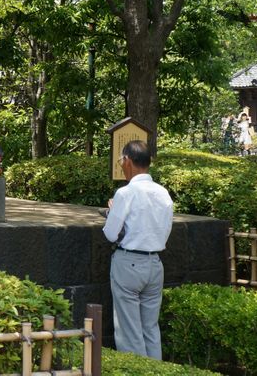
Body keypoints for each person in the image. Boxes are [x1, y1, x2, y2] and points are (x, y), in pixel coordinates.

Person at [102, 140, 174, 360]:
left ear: (127, 161)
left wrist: (112, 213)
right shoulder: (163, 193)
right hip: (155, 264)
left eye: (121, 161)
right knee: (150, 328)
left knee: (129, 330)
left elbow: (110, 234)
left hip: (129, 263)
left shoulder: (126, 193)